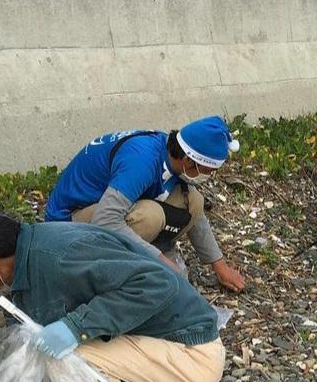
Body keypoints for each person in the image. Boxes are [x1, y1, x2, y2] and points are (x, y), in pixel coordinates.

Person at [0, 208, 227, 382]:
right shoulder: (27, 254)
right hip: (155, 340)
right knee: (42, 356)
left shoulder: (61, 256)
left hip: (192, 355)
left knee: (59, 362)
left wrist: (74, 327)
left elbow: (157, 284)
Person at [45, 116, 245, 291]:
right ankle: (115, 272)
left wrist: (220, 266)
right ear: (188, 160)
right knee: (150, 217)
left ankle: (139, 251)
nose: (209, 177)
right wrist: (161, 261)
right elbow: (105, 219)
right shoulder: (142, 161)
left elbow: (196, 215)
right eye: (207, 170)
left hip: (101, 204)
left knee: (194, 201)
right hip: (68, 223)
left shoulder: (169, 152)